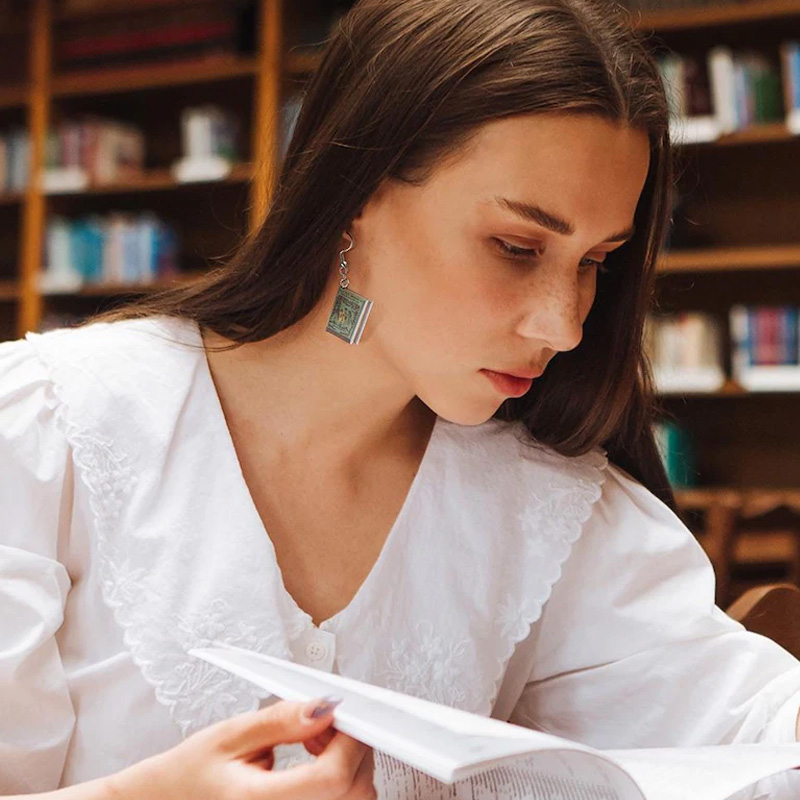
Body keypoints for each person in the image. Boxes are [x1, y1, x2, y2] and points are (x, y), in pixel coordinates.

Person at [2, 0, 800, 798]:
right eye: (517, 248)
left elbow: (753, 727)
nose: (564, 326)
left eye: (596, 261)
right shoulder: (49, 433)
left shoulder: (551, 506)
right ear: (358, 192)